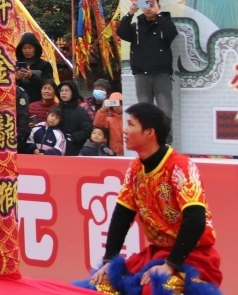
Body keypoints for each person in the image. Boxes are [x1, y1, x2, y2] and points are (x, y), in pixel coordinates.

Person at [84, 103, 221, 294]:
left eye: (131, 125)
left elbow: (195, 219)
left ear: (149, 132)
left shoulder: (180, 167)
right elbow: (122, 216)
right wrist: (108, 262)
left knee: (159, 286)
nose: (124, 130)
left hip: (191, 256)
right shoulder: (135, 168)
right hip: (156, 253)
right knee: (102, 285)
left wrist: (170, 265)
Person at [116, 0, 178, 137]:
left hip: (161, 74)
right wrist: (130, 12)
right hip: (141, 75)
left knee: (165, 111)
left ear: (158, 6)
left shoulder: (164, 23)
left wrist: (159, 14)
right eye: (145, 4)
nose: (148, 7)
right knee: (144, 111)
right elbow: (121, 32)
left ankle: (166, 141)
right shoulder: (137, 26)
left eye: (151, 4)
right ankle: (147, 141)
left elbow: (172, 34)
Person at [55, 80, 94, 157]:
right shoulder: (56, 109)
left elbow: (87, 130)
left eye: (67, 90)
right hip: (55, 150)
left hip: (75, 151)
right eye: (62, 90)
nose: (63, 93)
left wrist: (73, 137)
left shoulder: (81, 112)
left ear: (73, 92)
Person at [14, 32, 53, 105]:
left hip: (38, 104)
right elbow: (7, 86)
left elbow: (48, 85)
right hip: (18, 103)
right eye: (24, 48)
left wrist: (32, 77)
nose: (27, 51)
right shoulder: (15, 65)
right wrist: (17, 79)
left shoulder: (45, 65)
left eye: (29, 47)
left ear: (36, 48)